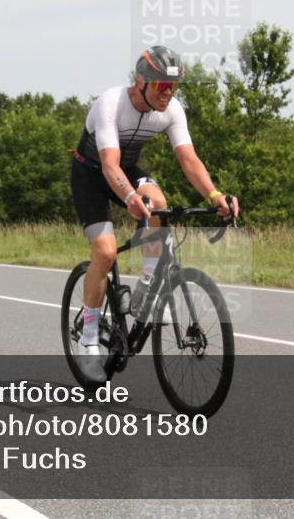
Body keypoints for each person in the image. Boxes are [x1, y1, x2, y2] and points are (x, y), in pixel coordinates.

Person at [69, 45, 239, 382]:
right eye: (163, 86)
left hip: (125, 170)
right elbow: (108, 164)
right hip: (92, 174)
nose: (169, 93)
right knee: (104, 251)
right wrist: (130, 197)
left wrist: (216, 195)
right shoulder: (111, 103)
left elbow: (189, 160)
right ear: (141, 81)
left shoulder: (171, 110)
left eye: (174, 87)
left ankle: (148, 282)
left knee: (159, 205)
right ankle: (88, 338)